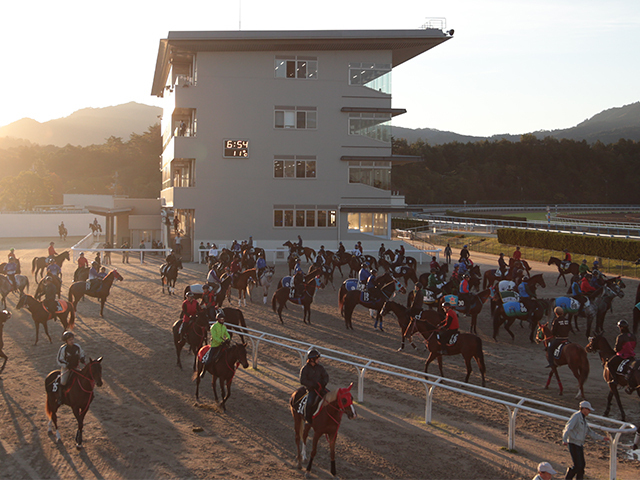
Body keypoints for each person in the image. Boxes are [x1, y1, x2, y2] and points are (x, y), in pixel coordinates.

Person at [562, 400, 608, 480]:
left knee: (581, 465)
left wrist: (602, 438)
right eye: (588, 410)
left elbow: (590, 432)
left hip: (579, 444)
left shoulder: (583, 419)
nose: (589, 412)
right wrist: (565, 439)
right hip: (573, 443)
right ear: (583, 409)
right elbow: (568, 427)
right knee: (578, 465)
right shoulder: (576, 416)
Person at [299, 348, 329, 425]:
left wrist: (323, 383)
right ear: (312, 359)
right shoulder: (305, 369)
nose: (318, 360)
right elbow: (302, 380)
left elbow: (326, 377)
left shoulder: (320, 368)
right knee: (309, 402)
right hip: (311, 390)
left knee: (330, 398)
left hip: (321, 388)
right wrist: (313, 385)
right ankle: (307, 419)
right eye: (317, 358)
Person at [56, 331, 87, 404]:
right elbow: (59, 359)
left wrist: (82, 358)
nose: (72, 341)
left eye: (72, 339)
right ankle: (60, 397)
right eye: (70, 340)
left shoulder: (77, 346)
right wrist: (66, 365)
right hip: (66, 369)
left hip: (75, 368)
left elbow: (81, 353)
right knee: (63, 382)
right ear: (66, 341)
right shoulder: (63, 349)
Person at [607, 319, 637, 394]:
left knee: (609, 364)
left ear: (622, 328)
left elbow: (617, 348)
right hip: (631, 355)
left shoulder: (620, 337)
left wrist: (616, 350)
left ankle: (615, 380)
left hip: (623, 355)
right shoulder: (633, 336)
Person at [200, 311, 230, 378]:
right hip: (215, 345)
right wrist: (221, 341)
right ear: (218, 319)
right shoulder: (213, 327)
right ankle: (203, 371)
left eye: (223, 319)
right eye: (221, 319)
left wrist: (228, 338)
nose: (222, 320)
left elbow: (227, 334)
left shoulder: (224, 327)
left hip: (222, 345)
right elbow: (214, 337)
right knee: (209, 360)